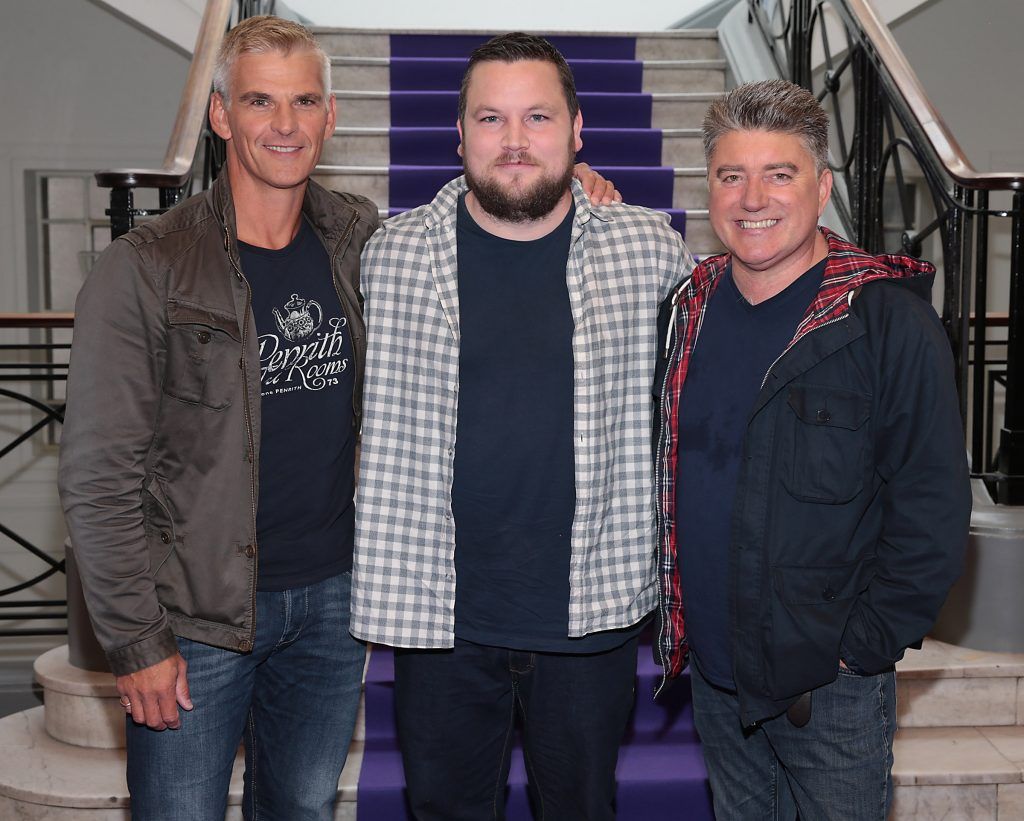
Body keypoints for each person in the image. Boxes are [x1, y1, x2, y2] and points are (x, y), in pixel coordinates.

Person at [57, 15, 617, 821]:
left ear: (330, 115)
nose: (284, 125)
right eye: (260, 101)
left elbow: (486, 210)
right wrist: (136, 640)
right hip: (198, 614)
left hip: (331, 605)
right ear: (220, 116)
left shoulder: (359, 237)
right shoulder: (146, 266)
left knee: (306, 808)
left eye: (305, 101)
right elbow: (96, 474)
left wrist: (566, 175)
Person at [351, 32, 694, 821]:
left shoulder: (649, 251)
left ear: (577, 131)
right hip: (439, 618)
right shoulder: (388, 254)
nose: (513, 141)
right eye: (491, 119)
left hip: (589, 615)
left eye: (537, 117)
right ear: (459, 134)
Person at [653, 78, 972, 820]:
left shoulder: (885, 322)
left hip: (826, 694)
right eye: (732, 175)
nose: (752, 196)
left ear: (823, 187)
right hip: (717, 684)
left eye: (780, 173)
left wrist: (859, 647)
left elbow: (931, 513)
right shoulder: (686, 309)